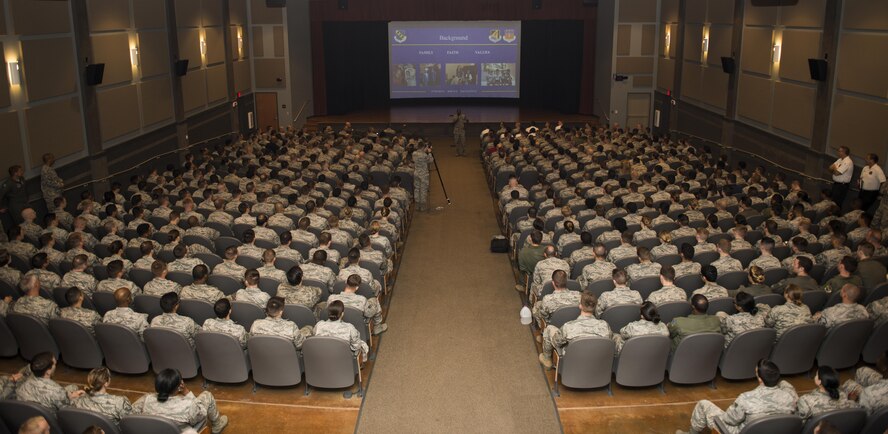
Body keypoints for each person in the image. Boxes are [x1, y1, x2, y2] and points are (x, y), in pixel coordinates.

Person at [676, 359, 797, 434]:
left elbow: (730, 419)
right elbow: (786, 385)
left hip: (741, 431)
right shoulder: (790, 395)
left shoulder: (746, 398)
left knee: (703, 404)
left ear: (760, 378)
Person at [133, 368, 228, 433]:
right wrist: (186, 391)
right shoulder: (188, 405)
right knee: (207, 395)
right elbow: (200, 415)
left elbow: (133, 413)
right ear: (179, 386)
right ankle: (217, 426)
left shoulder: (146, 399)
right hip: (184, 431)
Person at [538, 291, 612, 369]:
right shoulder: (605, 326)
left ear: (580, 306)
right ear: (595, 306)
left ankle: (546, 360)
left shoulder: (568, 327)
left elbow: (557, 342)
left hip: (572, 362)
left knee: (549, 329)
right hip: (597, 363)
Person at [15, 352, 85, 414]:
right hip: (48, 419)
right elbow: (66, 410)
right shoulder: (57, 391)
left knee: (73, 387)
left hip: (29, 414)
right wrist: (71, 397)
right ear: (48, 371)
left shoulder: (22, 382)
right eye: (55, 364)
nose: (56, 365)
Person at [412, 140, 434, 212]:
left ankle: (417, 205)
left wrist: (425, 150)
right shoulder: (424, 155)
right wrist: (429, 152)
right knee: (423, 190)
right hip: (423, 174)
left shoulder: (414, 153)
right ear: (423, 147)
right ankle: (423, 206)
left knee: (417, 189)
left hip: (416, 173)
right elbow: (430, 160)